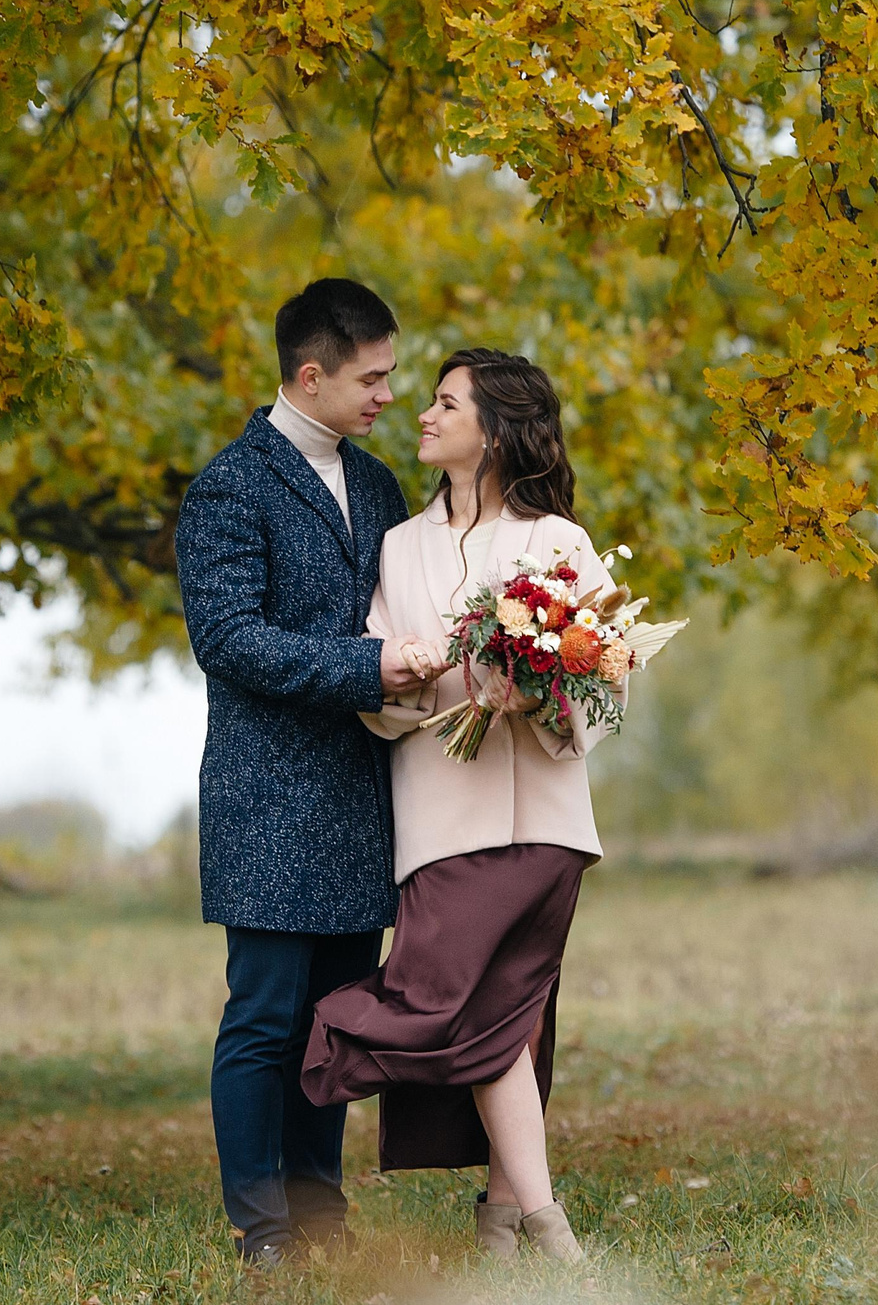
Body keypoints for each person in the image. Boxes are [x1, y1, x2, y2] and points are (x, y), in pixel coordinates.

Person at [301, 348, 616, 1265]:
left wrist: (539, 692)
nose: (424, 414)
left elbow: (607, 679)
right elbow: (375, 687)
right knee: (469, 1009)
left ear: (497, 429)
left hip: (548, 823)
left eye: (446, 403)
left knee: (515, 1015)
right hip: (441, 824)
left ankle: (506, 1222)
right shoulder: (400, 546)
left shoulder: (560, 541)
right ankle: (545, 1224)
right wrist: (409, 672)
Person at [172, 278, 440, 1266]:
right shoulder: (228, 488)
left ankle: (322, 1213)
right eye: (372, 378)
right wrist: (368, 667)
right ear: (312, 373)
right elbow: (229, 639)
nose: (388, 395)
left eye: (392, 375)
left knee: (336, 1021)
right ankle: (264, 1229)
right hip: (269, 799)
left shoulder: (378, 485)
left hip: (361, 796)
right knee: (264, 1019)